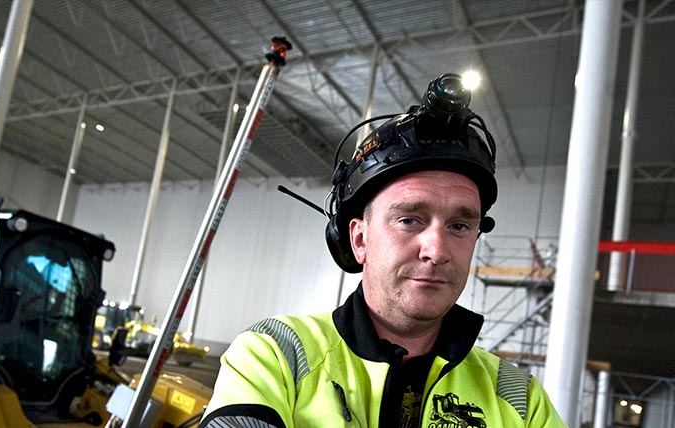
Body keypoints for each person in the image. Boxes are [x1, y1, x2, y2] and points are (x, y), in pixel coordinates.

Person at [199, 74, 566, 427]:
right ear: (358, 240)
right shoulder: (277, 355)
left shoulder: (521, 400)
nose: (437, 251)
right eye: (409, 220)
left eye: (459, 226)